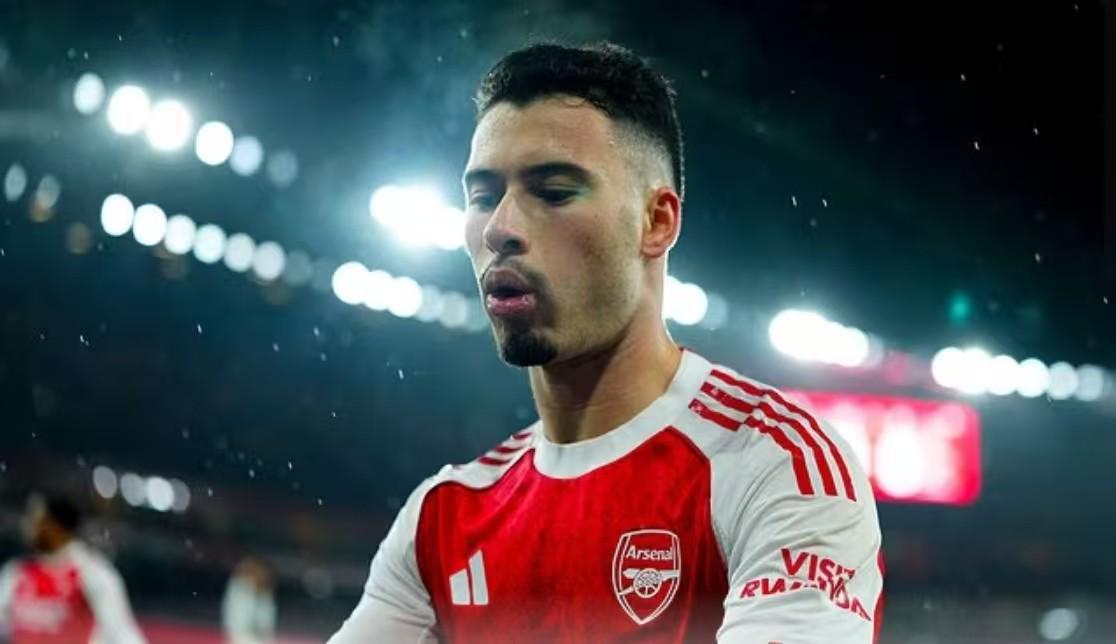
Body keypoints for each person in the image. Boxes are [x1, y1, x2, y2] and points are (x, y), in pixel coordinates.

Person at [330, 42, 883, 643]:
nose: (500, 229)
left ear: (657, 222)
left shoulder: (779, 467)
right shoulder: (441, 518)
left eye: (554, 192)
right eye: (484, 197)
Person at [0, 492, 147, 644]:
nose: (27, 525)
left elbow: (122, 633)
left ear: (54, 525)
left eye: (34, 518)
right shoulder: (16, 574)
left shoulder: (92, 573)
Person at [221, 557, 277, 644]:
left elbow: (266, 626)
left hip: (255, 637)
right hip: (242, 637)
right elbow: (238, 627)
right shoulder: (240, 590)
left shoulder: (264, 595)